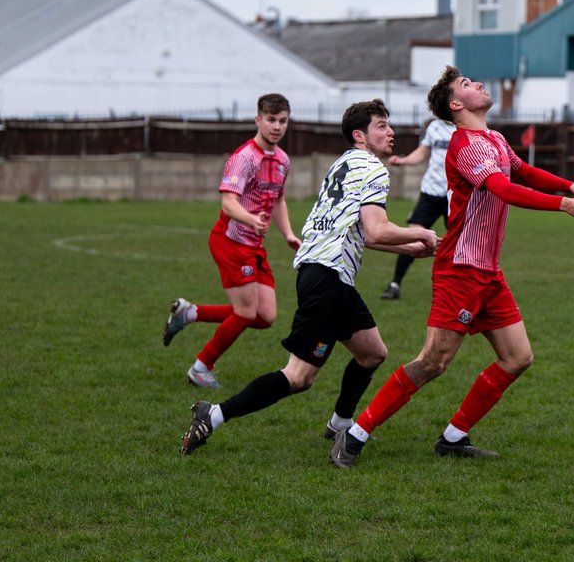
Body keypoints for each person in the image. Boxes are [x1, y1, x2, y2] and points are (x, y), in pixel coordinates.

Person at [331, 66, 574, 468]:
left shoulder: (494, 138)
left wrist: (569, 185)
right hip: (460, 269)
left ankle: (453, 437)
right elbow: (503, 188)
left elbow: (521, 171)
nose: (478, 83)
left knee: (518, 357)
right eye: (466, 84)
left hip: (488, 271)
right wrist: (564, 204)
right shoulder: (465, 144)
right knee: (433, 362)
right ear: (457, 104)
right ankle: (355, 434)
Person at [180, 99, 440, 456]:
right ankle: (214, 414)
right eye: (381, 126)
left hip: (324, 273)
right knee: (298, 377)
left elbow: (357, 233)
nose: (391, 132)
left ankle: (341, 423)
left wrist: (409, 248)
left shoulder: (342, 164)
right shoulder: (374, 169)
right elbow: (377, 230)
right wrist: (421, 233)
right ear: (359, 135)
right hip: (327, 280)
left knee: (372, 353)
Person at [162, 93, 301, 388]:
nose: (277, 126)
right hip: (231, 240)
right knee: (246, 311)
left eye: (283, 120)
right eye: (271, 120)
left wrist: (288, 233)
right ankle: (201, 366)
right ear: (258, 120)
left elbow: (278, 200)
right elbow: (228, 203)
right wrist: (251, 219)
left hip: (254, 245)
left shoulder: (282, 160)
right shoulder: (244, 157)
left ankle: (190, 312)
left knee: (264, 316)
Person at [380, 116, 456, 300]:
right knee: (412, 237)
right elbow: (422, 153)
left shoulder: (465, 127)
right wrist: (403, 161)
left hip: (454, 196)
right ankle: (395, 284)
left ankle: (463, 289)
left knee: (461, 243)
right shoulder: (434, 127)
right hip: (430, 192)